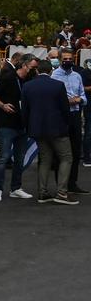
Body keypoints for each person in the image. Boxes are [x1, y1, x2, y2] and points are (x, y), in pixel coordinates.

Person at [23, 60, 78, 204]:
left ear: (36, 71)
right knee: (66, 158)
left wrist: (29, 127)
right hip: (57, 128)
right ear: (51, 71)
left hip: (37, 129)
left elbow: (25, 110)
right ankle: (62, 193)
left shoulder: (28, 86)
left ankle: (42, 192)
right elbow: (65, 108)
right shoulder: (58, 85)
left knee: (45, 160)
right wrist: (66, 124)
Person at [0, 54, 34, 201]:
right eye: (32, 67)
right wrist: (2, 105)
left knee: (20, 158)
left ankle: (16, 188)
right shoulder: (8, 77)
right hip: (7, 124)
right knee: (3, 157)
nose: (34, 70)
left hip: (22, 124)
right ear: (24, 65)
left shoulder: (29, 80)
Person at [52, 48, 88, 195]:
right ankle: (61, 185)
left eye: (70, 58)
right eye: (65, 59)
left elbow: (83, 96)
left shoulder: (77, 76)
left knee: (75, 149)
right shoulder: (54, 76)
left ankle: (72, 183)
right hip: (61, 116)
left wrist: (79, 99)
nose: (68, 61)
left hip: (75, 116)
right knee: (60, 152)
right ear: (60, 60)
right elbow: (53, 98)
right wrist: (67, 101)